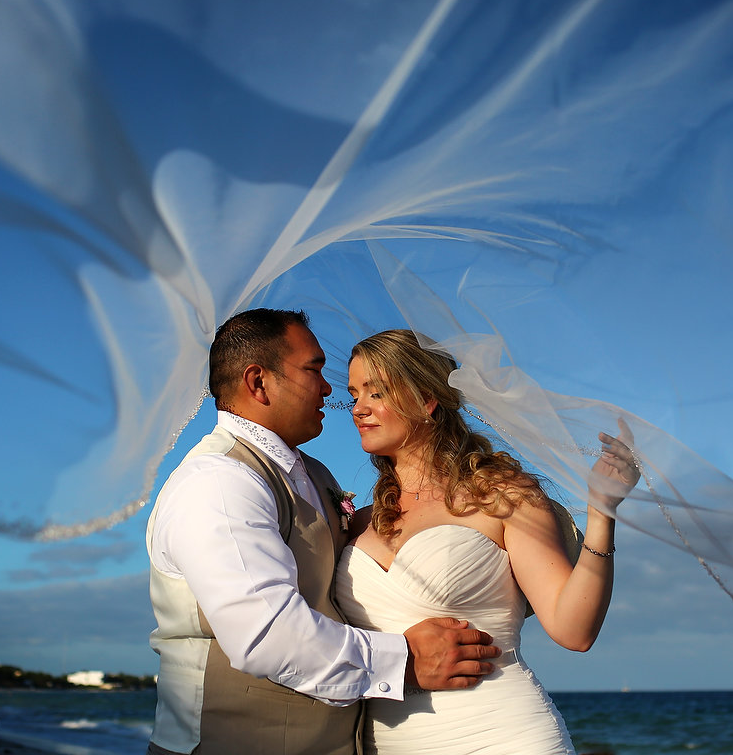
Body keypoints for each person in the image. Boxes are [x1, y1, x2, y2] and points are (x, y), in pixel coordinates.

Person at [145, 310, 502, 755]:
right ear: (259, 382)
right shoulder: (219, 481)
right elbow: (266, 636)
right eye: (313, 369)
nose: (330, 389)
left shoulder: (315, 476)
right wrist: (406, 660)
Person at [335, 329, 639, 755]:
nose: (358, 409)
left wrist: (602, 513)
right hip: (390, 742)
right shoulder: (355, 523)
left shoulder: (503, 497)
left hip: (506, 736)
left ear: (426, 399)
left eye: (376, 392)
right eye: (353, 395)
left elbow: (575, 630)